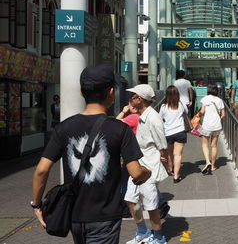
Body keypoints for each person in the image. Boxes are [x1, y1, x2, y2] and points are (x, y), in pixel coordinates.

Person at [31, 65, 151, 244]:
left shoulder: (63, 128)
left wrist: (37, 204)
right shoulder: (120, 129)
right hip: (105, 216)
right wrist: (147, 172)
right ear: (111, 92)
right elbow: (136, 172)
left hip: (73, 215)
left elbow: (41, 170)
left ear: (81, 92)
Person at [125, 84, 168, 244]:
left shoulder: (153, 118)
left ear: (139, 99)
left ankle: (158, 237)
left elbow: (162, 145)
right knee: (131, 199)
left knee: (151, 205)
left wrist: (165, 160)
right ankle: (143, 231)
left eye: (133, 96)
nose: (130, 99)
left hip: (149, 168)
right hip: (137, 167)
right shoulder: (142, 116)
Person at [159, 85, 188, 184]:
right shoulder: (181, 104)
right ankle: (176, 176)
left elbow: (159, 118)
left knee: (170, 153)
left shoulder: (163, 106)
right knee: (178, 154)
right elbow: (186, 112)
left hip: (168, 133)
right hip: (180, 132)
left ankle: (170, 168)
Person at [199, 84, 225, 175]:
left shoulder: (205, 99)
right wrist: (218, 119)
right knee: (214, 145)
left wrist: (199, 114)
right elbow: (223, 114)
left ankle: (208, 162)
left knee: (205, 145)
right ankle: (213, 166)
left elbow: (202, 112)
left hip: (207, 125)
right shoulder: (219, 100)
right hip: (217, 125)